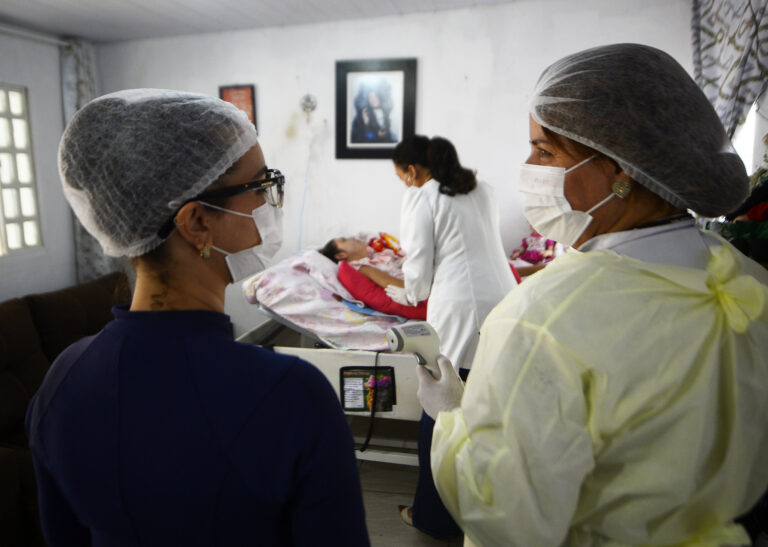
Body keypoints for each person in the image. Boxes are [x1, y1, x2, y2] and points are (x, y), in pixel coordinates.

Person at [416, 43, 768, 547]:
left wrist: (452, 419)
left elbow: (503, 516)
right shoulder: (748, 282)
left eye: (545, 152)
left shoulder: (544, 320)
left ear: (622, 167)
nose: (529, 168)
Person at [25, 90, 370, 546]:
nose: (272, 203)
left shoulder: (62, 383)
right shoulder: (291, 397)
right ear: (196, 224)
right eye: (260, 187)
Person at [388, 135, 516, 540]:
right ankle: (488, 512)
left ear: (411, 171)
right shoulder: (483, 189)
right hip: (506, 299)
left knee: (440, 409)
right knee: (491, 409)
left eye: (400, 177)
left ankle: (433, 516)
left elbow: (418, 267)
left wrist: (406, 294)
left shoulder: (422, 197)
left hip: (460, 310)